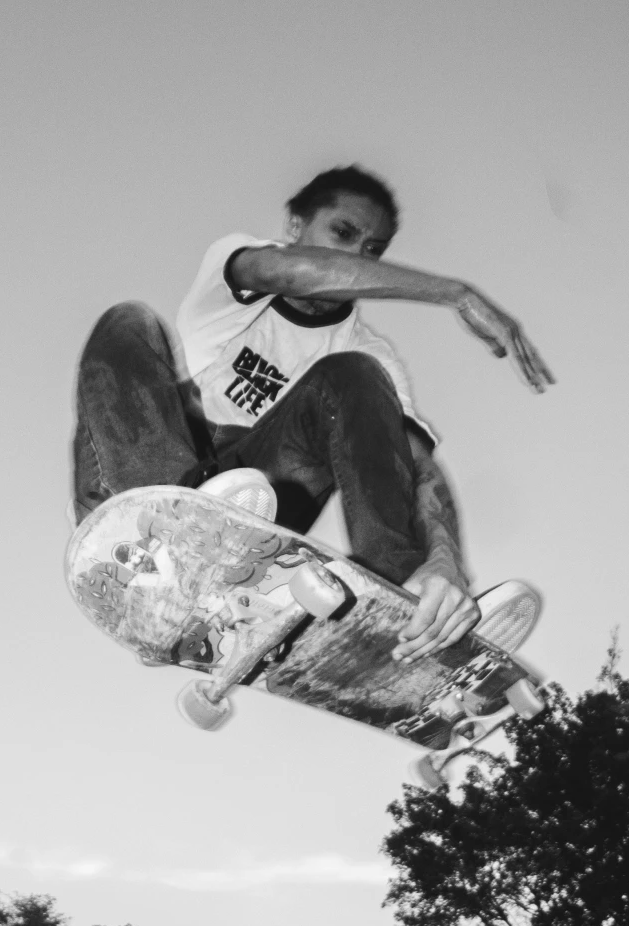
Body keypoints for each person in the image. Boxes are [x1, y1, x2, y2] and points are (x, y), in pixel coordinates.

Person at [71, 164, 552, 660]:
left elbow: (414, 468)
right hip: (141, 487)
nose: (355, 259)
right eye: (343, 233)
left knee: (357, 376)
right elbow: (292, 272)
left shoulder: (368, 354)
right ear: (296, 227)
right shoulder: (236, 270)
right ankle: (169, 531)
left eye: (372, 251)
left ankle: (407, 607)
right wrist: (455, 293)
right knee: (127, 322)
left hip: (253, 505)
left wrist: (445, 562)